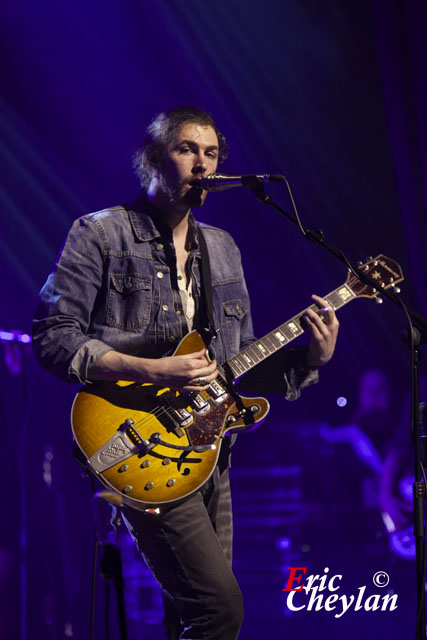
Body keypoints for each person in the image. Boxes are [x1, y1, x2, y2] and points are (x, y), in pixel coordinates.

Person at [32, 106, 339, 639]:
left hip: (209, 453)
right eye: (187, 150)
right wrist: (153, 369)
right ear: (153, 160)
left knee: (189, 615)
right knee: (220, 609)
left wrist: (308, 359)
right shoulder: (100, 234)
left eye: (212, 153)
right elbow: (53, 337)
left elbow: (235, 363)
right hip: (139, 440)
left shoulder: (222, 248)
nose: (203, 164)